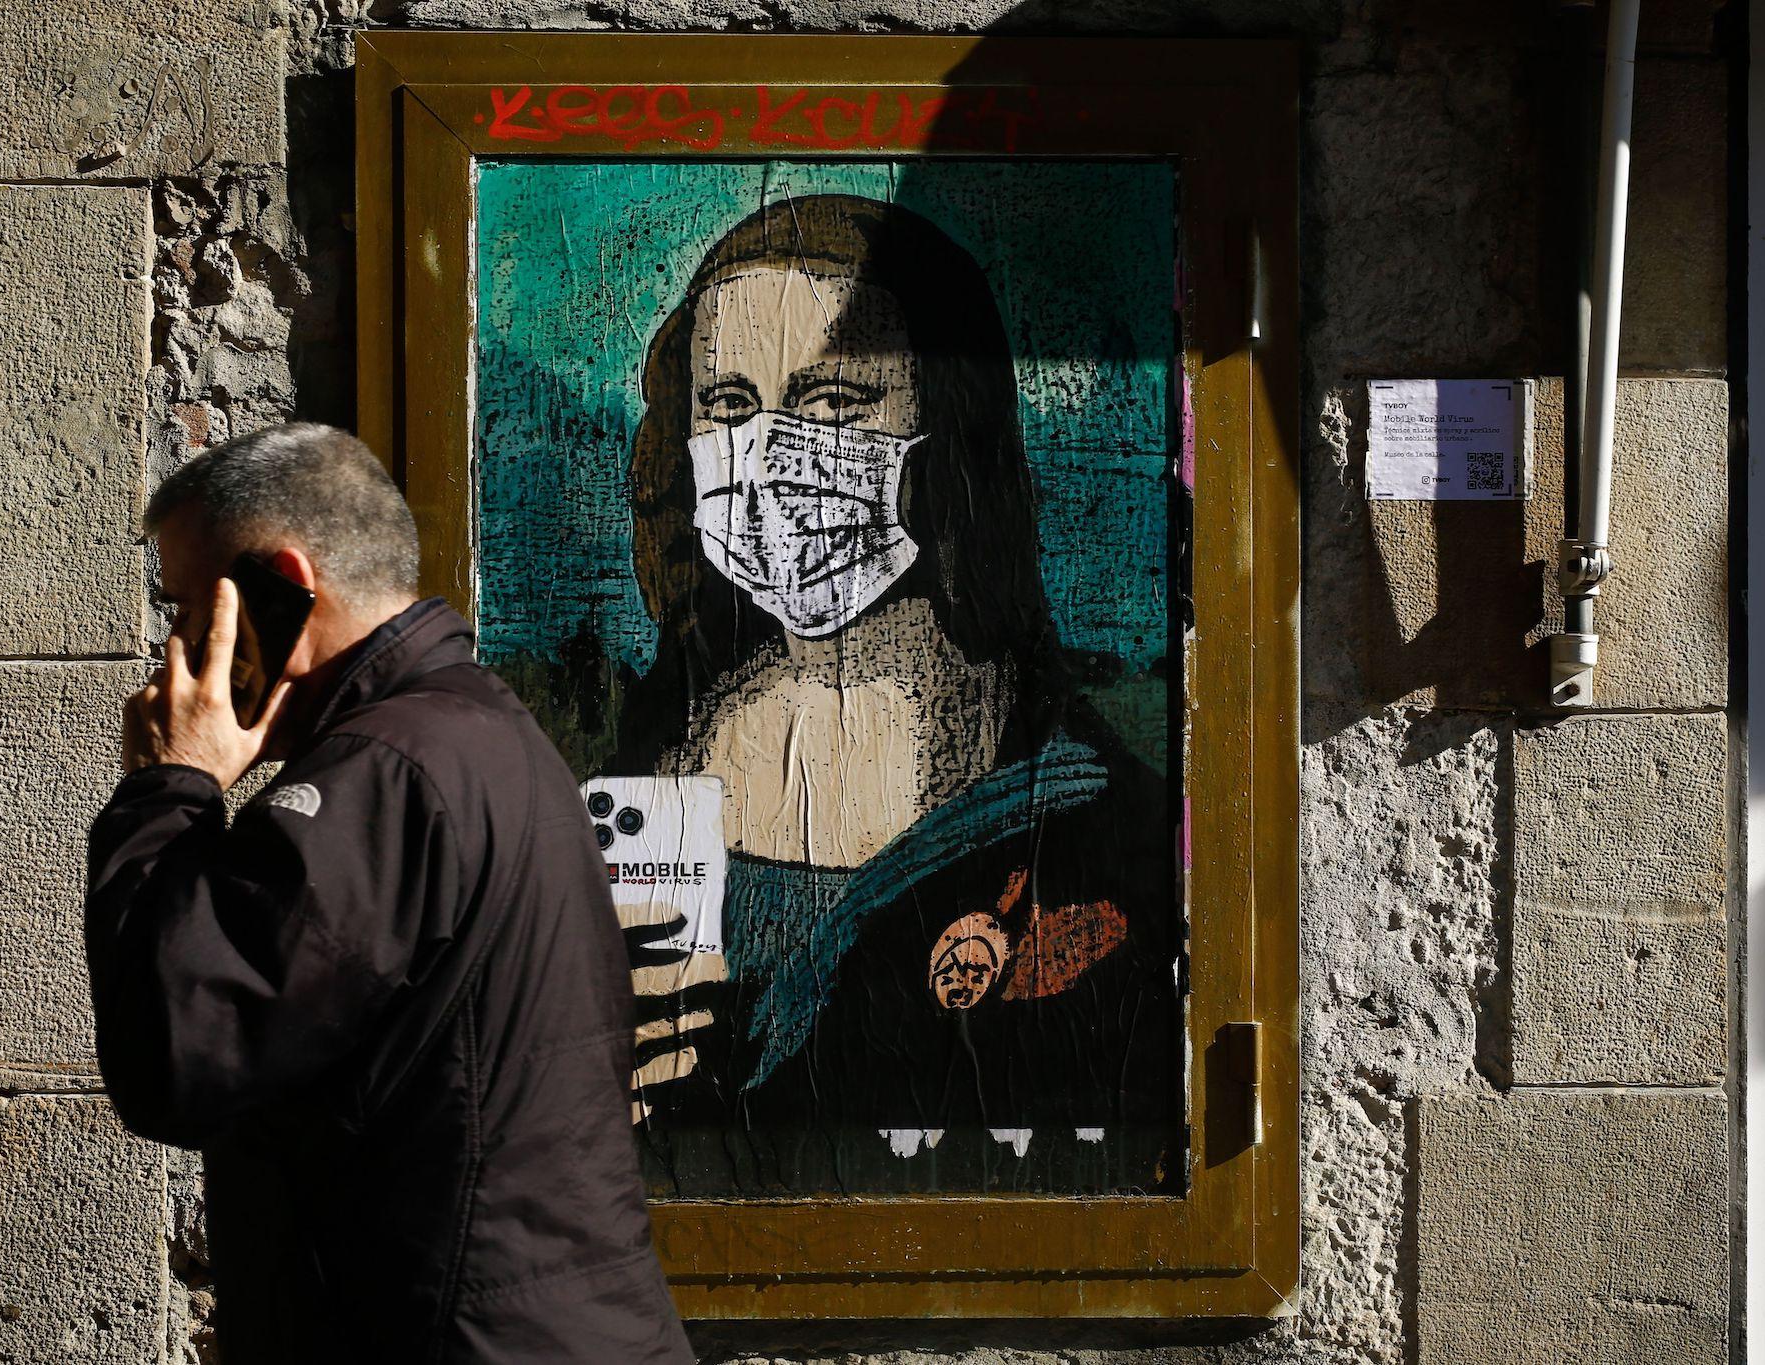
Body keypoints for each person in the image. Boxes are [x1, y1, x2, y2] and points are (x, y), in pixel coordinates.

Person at [610, 195, 1185, 1195]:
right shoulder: (649, 757)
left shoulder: (1085, 811)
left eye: (833, 402)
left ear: (946, 427)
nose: (774, 454)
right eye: (730, 407)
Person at [84, 423, 693, 1364]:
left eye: (189, 608)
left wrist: (171, 787)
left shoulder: (384, 771)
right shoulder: (472, 729)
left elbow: (176, 1057)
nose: (176, 647)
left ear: (282, 586)